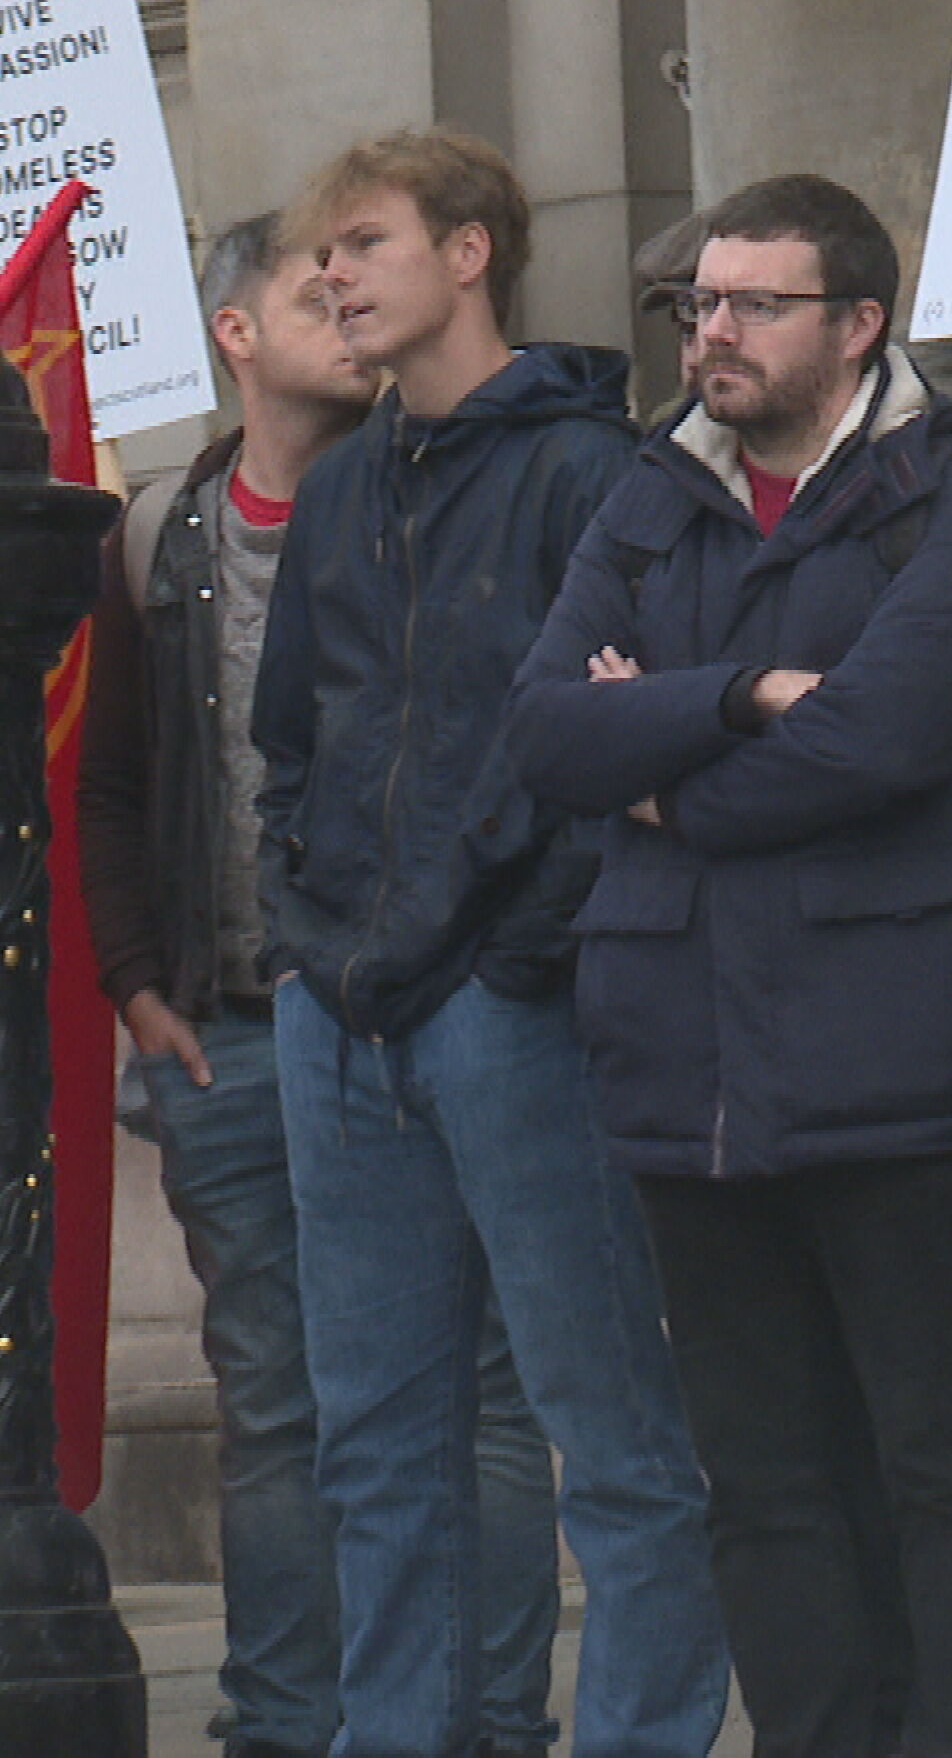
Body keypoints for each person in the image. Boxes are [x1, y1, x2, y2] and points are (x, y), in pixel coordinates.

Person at [512, 173, 952, 1758]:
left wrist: (659, 752)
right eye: (699, 304)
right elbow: (546, 728)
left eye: (755, 303)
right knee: (761, 1476)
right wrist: (744, 695)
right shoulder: (650, 494)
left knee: (932, 1462)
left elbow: (883, 741)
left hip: (891, 1050)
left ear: (860, 322)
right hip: (687, 1066)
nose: (713, 332)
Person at [255, 129, 728, 1758]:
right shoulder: (334, 488)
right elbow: (294, 741)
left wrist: (523, 953)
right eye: (324, 253)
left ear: (469, 254)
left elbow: (616, 745)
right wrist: (305, 932)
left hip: (513, 1010)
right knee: (377, 1444)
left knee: (608, 1434)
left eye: (365, 241)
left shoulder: (592, 470)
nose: (333, 274)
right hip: (341, 1008)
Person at [80, 214, 567, 1758]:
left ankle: (485, 1723)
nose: (349, 303)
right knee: (286, 1407)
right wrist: (140, 984)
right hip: (231, 1031)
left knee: (482, 1391)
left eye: (365, 268)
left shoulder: (435, 495)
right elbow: (108, 781)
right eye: (314, 288)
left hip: (431, 1011)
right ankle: (285, 1723)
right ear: (236, 335)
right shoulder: (160, 534)